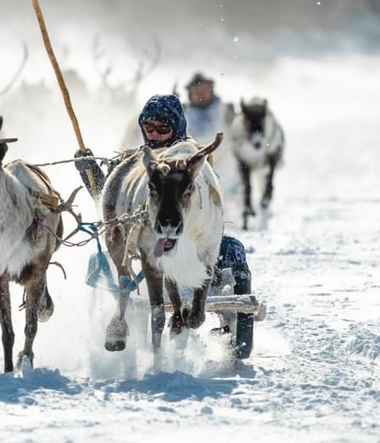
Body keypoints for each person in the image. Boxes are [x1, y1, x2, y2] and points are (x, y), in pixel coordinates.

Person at [73, 92, 253, 357]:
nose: (155, 135)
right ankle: (119, 316)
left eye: (163, 128)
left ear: (177, 126)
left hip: (195, 240)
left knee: (233, 250)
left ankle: (232, 334)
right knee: (107, 249)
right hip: (149, 243)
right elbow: (110, 205)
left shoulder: (195, 160)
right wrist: (90, 173)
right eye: (149, 128)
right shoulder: (135, 161)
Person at [183, 71, 234, 145]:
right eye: (197, 91)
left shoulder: (225, 110)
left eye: (204, 90)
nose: (201, 95)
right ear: (191, 94)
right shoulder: (183, 115)